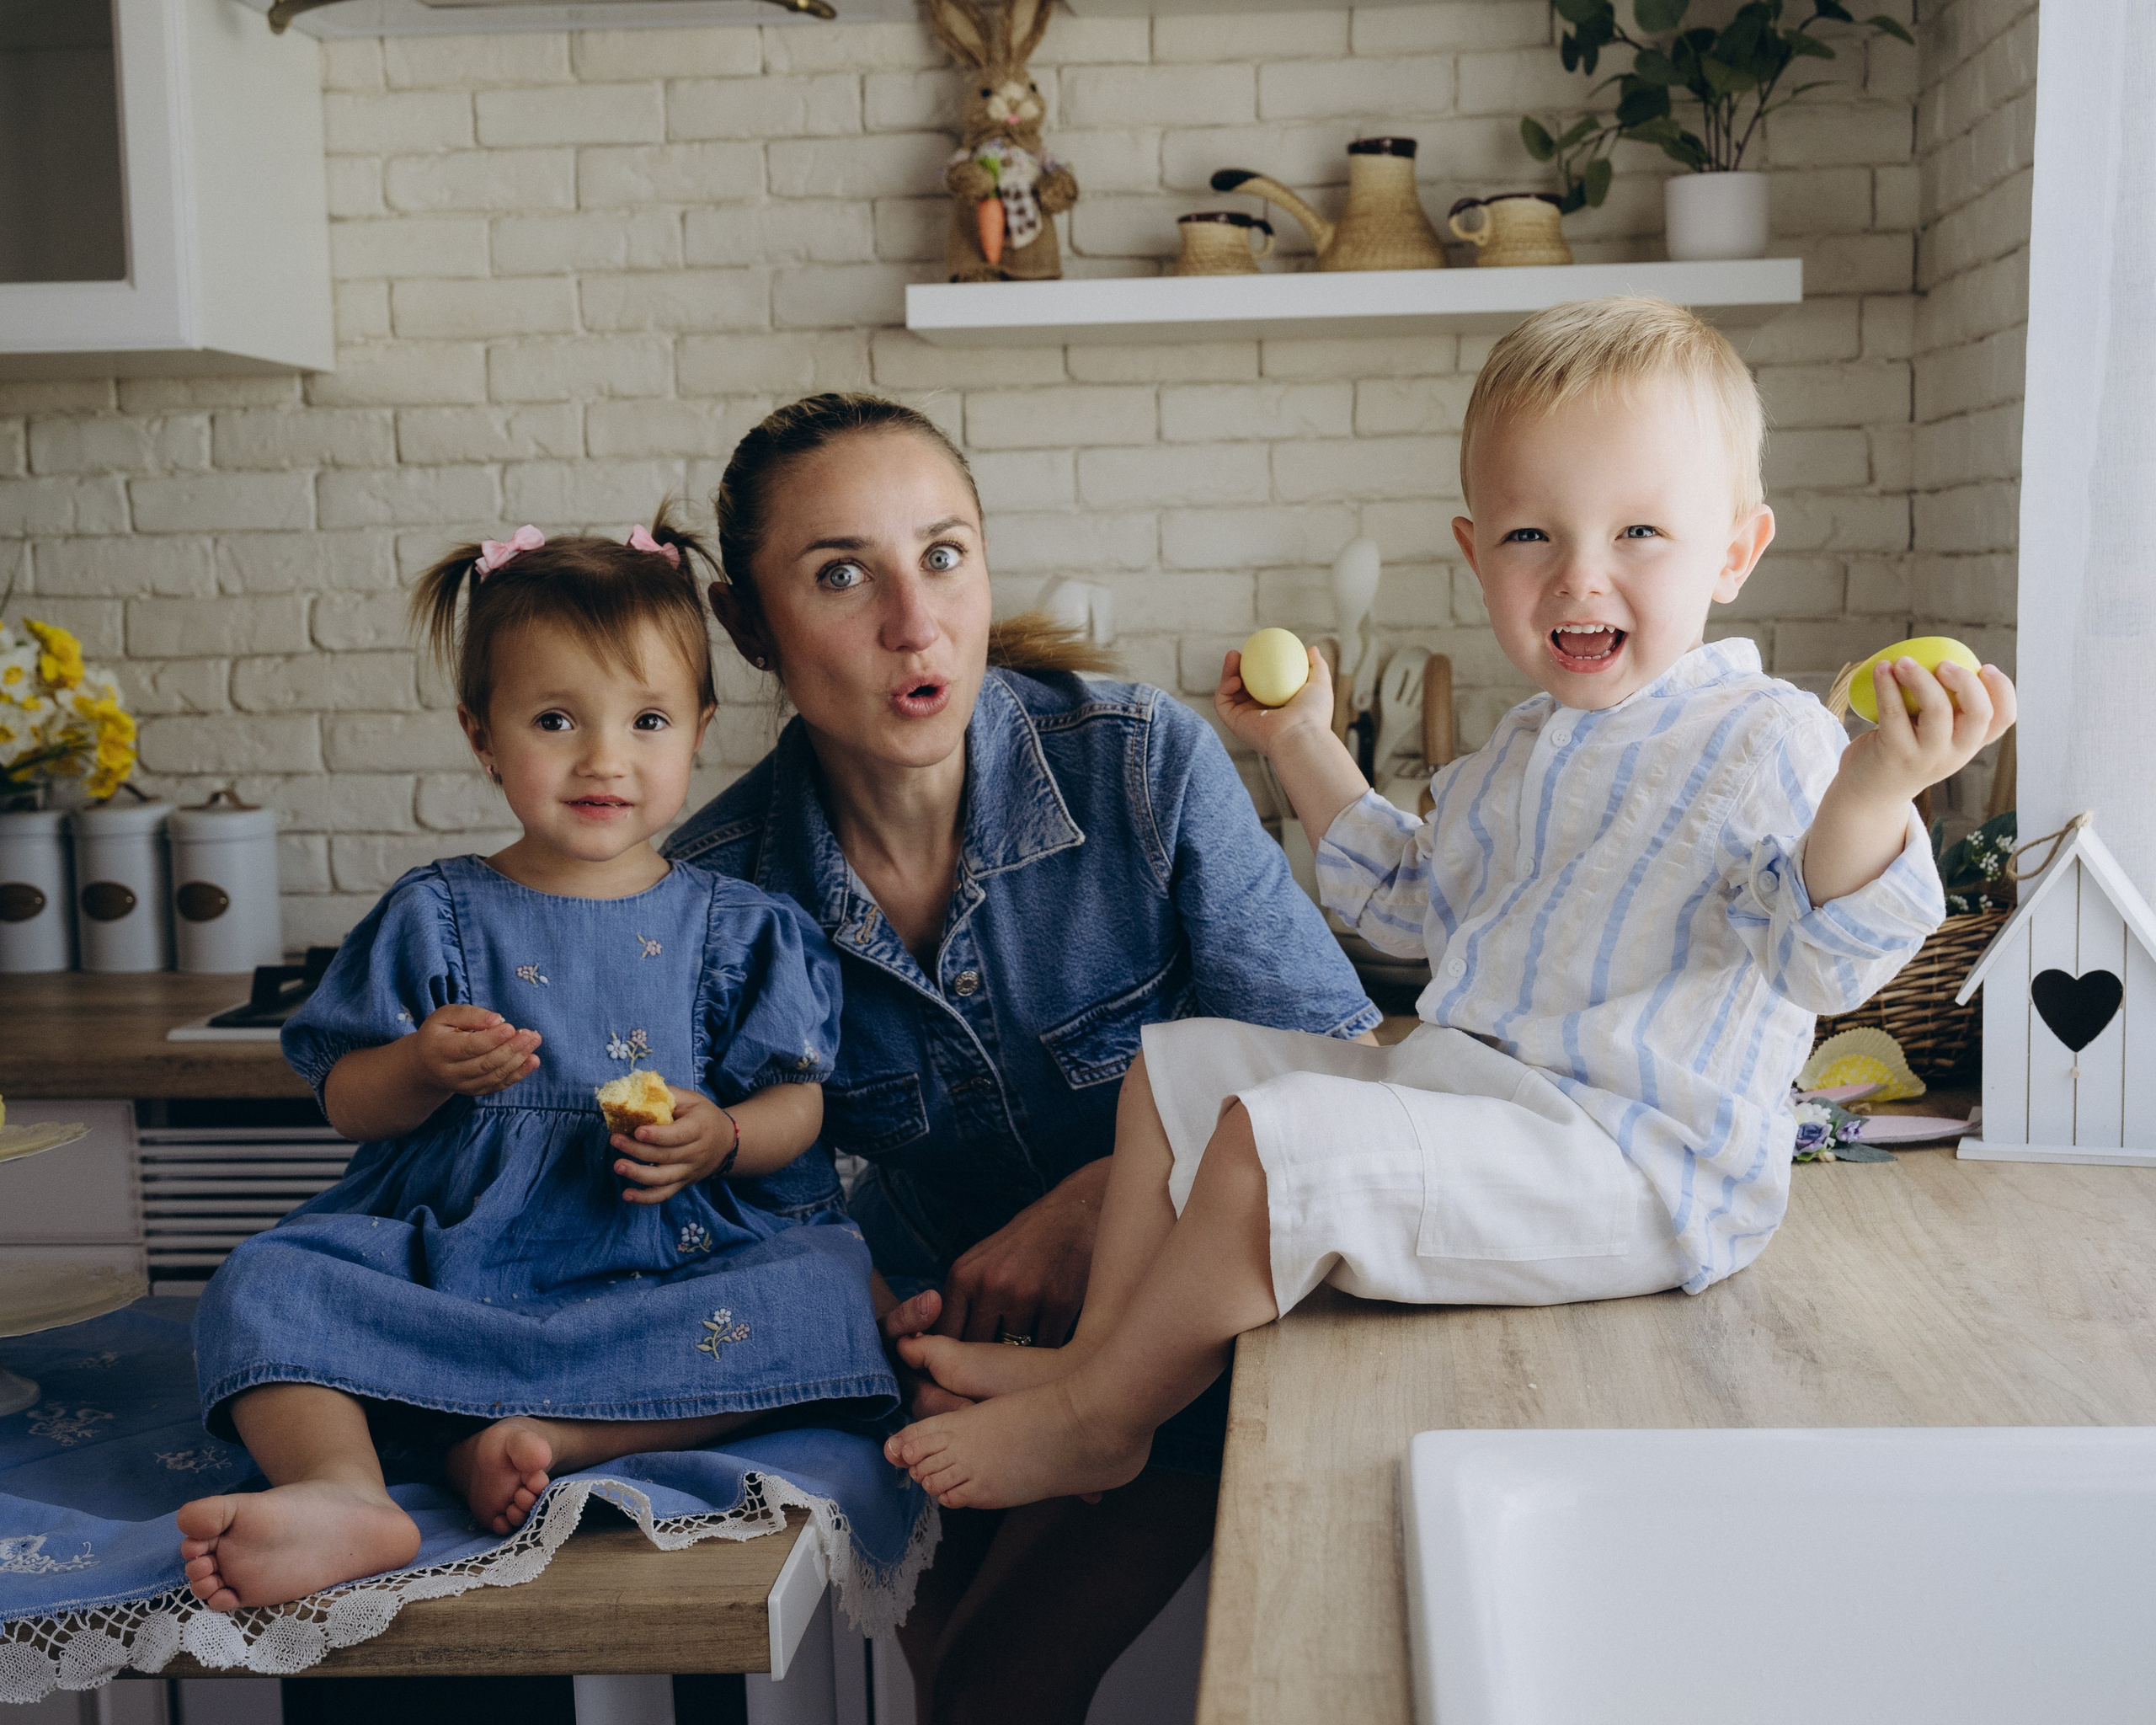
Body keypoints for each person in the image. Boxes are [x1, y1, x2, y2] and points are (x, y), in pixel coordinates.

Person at [883, 295, 2020, 1509]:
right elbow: (1408, 895)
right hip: (1477, 1093)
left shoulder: (1768, 739)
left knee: (1283, 1146)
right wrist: (1301, 742)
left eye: (1641, 530)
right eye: (1534, 537)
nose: (1582, 575)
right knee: (1173, 1077)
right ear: (1478, 557)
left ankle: (1100, 1421)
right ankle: (1096, 1361)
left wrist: (1879, 784)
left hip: (1633, 1162)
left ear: (1734, 553)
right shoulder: (1526, 748)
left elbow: (1821, 957)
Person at [663, 393, 1380, 1724]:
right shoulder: (717, 893)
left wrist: (1097, 1197)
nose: (912, 622)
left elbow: (1332, 1063)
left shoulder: (1137, 764)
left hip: (1187, 1320)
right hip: (931, 1334)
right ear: (748, 625)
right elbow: (741, 1190)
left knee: (995, 1687)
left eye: (942, 556)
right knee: (966, 1691)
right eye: (841, 575)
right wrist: (868, 1297)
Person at [177, 517, 894, 1611]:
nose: (604, 757)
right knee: (262, 1286)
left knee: (838, 1293)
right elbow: (347, 1103)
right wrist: (419, 1064)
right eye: (556, 719)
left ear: (699, 729)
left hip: (663, 1264)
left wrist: (727, 1138)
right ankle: (345, 1490)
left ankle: (542, 1437)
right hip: (458, 1263)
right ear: (483, 735)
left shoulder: (742, 926)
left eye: (647, 719)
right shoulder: (436, 913)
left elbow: (801, 1098)